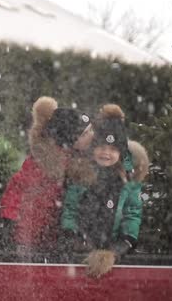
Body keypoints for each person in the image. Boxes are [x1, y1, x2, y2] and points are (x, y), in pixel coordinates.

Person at [61, 104, 149, 278]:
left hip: (114, 251)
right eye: (101, 147)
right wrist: (74, 237)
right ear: (93, 148)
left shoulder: (127, 182)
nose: (106, 153)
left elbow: (132, 214)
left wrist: (122, 244)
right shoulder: (81, 177)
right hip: (81, 250)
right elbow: (69, 209)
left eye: (113, 149)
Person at [0, 96, 92, 252]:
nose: (91, 135)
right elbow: (18, 190)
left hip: (57, 240)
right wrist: (10, 221)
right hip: (37, 240)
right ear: (71, 140)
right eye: (85, 133)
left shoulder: (80, 161)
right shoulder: (43, 164)